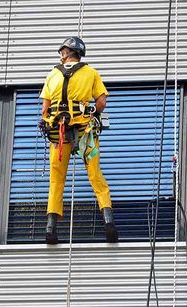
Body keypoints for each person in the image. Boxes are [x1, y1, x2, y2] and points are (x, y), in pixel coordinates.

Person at [40, 36, 118, 244]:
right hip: (85, 132)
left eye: (61, 52)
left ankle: (51, 228)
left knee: (56, 180)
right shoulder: (91, 73)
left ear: (66, 53)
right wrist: (91, 112)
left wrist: (46, 122)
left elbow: (45, 110)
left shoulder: (52, 74)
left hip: (59, 134)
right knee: (95, 176)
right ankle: (108, 221)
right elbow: (101, 101)